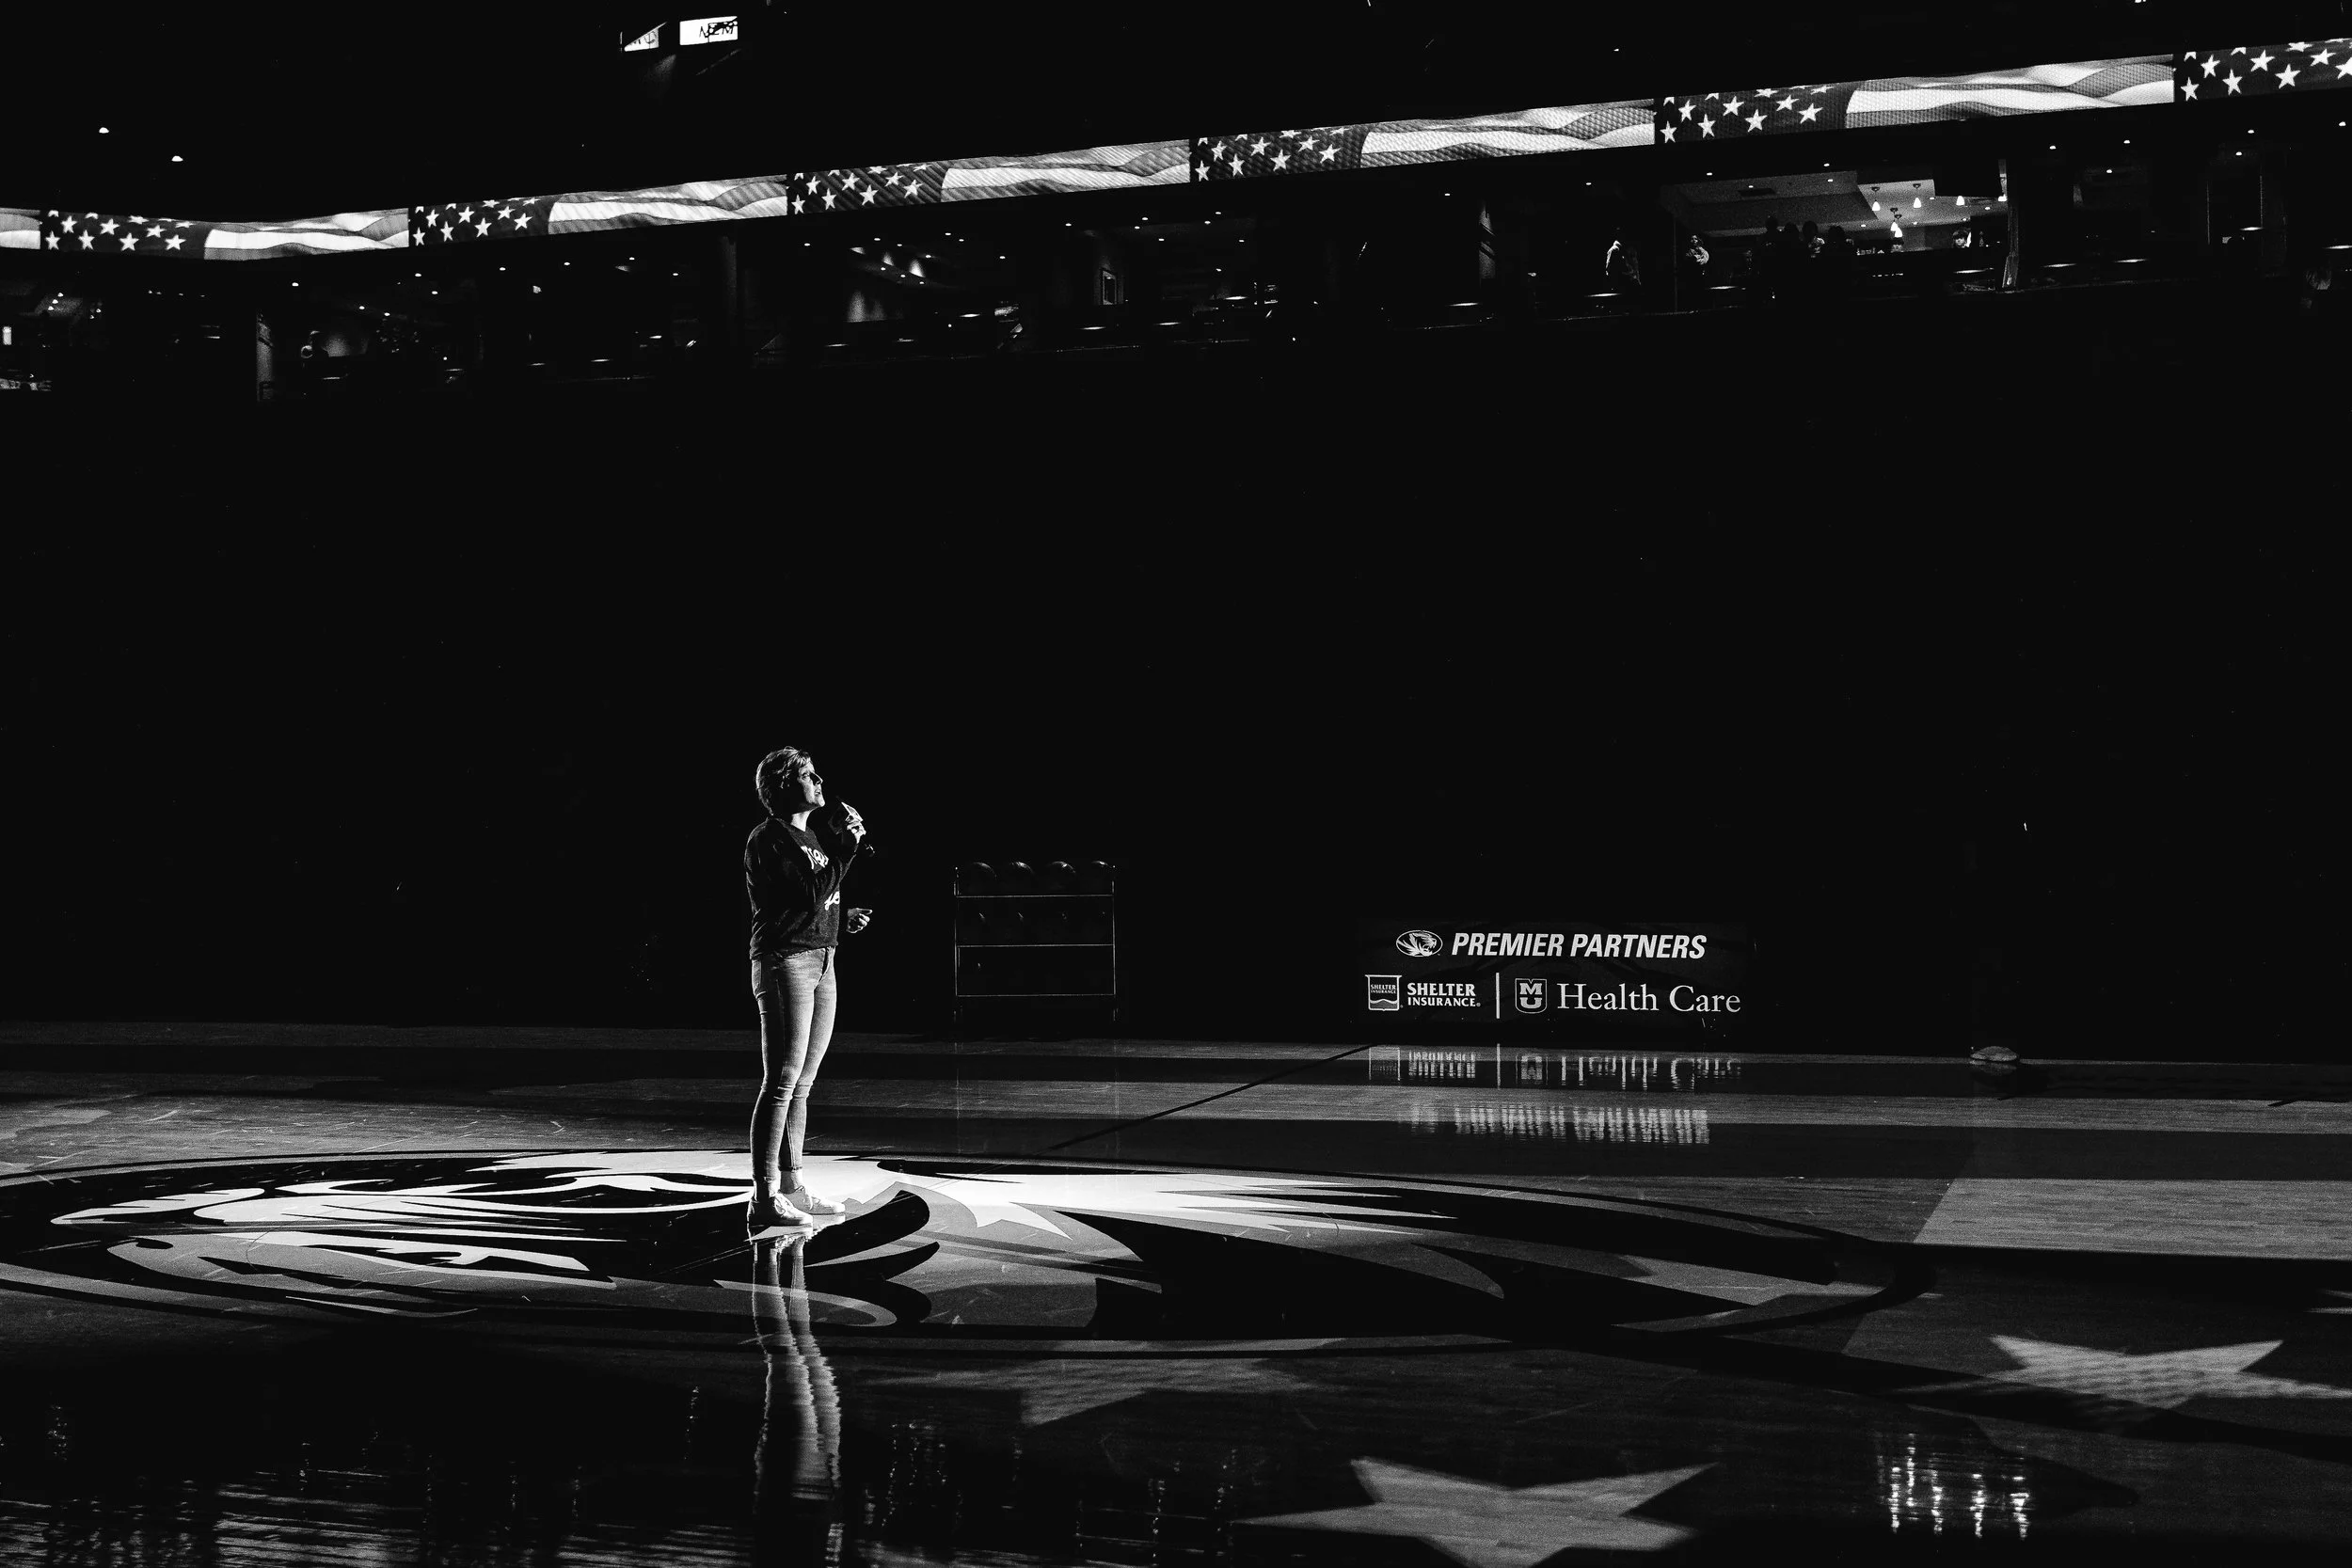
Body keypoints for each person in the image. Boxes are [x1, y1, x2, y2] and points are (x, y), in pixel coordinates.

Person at [745, 747, 872, 1232]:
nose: (819, 780)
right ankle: (764, 1195)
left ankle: (793, 1183)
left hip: (823, 959)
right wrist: (848, 848)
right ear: (781, 787)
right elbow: (806, 892)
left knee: (802, 1084)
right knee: (780, 1082)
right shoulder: (769, 837)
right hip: (786, 962)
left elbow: (819, 896)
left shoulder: (813, 836)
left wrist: (843, 916)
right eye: (806, 774)